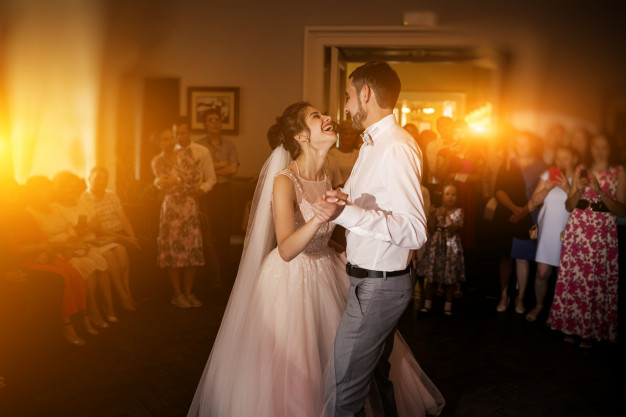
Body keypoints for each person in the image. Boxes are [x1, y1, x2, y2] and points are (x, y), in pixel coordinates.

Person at [187, 102, 444, 417]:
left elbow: (330, 229)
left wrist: (338, 243)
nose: (329, 119)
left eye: (325, 114)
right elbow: (285, 248)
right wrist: (319, 219)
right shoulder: (284, 181)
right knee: (298, 364)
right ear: (300, 136)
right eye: (316, 117)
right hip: (289, 281)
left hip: (328, 270)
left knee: (339, 360)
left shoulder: (328, 174)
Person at [313, 61, 435, 417]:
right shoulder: (372, 144)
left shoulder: (396, 147)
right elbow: (357, 199)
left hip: (379, 285)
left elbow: (414, 229)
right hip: (364, 279)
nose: (346, 106)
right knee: (375, 380)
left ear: (366, 93)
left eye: (349, 96)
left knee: (343, 390)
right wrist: (339, 199)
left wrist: (343, 214)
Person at [547, 134, 625, 348]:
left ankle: (590, 331)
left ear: (611, 149)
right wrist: (579, 189)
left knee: (595, 279)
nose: (599, 151)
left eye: (604, 147)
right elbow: (570, 206)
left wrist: (600, 193)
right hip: (579, 227)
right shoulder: (582, 169)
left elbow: (621, 209)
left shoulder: (620, 172)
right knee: (576, 277)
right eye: (596, 147)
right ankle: (570, 325)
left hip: (602, 230)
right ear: (590, 149)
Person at [53, 171, 136, 313]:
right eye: (69, 187)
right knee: (109, 255)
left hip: (94, 238)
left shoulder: (81, 201)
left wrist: (86, 228)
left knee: (121, 250)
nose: (73, 190)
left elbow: (96, 222)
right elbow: (73, 231)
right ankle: (122, 295)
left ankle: (126, 292)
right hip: (84, 242)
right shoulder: (60, 206)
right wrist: (85, 229)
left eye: (74, 187)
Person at [152, 125, 205, 308]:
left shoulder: (185, 155)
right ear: (159, 142)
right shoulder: (157, 161)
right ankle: (177, 294)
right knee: (173, 252)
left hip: (189, 206)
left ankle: (189, 292)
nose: (170, 141)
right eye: (165, 138)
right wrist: (181, 181)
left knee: (192, 250)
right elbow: (164, 184)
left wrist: (178, 181)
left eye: (172, 137)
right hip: (172, 208)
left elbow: (196, 180)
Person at [493, 131, 546, 314]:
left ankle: (521, 299)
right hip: (507, 216)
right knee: (505, 257)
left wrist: (523, 212)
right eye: (519, 143)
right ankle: (504, 295)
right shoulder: (508, 163)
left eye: (526, 143)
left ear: (532, 145)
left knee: (523, 259)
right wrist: (515, 209)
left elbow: (542, 194)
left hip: (529, 218)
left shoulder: (541, 166)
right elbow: (498, 190)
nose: (523, 146)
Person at [524, 146, 576, 322]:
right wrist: (546, 188)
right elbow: (534, 203)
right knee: (542, 272)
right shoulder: (548, 174)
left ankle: (558, 311)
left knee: (564, 275)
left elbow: (580, 206)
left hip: (568, 232)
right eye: (559, 158)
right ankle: (539, 306)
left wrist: (567, 188)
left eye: (566, 158)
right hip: (547, 231)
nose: (561, 162)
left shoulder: (578, 177)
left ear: (574, 159)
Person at [172, 117, 222, 291]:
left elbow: (211, 179)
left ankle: (216, 286)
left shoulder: (202, 151)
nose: (179, 137)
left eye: (183, 133)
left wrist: (200, 190)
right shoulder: (170, 153)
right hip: (176, 205)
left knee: (206, 243)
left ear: (190, 133)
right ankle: (183, 290)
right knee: (178, 244)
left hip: (198, 201)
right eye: (176, 133)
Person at [196, 108, 239, 278]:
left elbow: (233, 169)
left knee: (224, 233)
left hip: (224, 192)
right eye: (211, 120)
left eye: (217, 120)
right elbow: (199, 172)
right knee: (206, 233)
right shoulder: (198, 145)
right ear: (205, 124)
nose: (215, 123)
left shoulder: (230, 144)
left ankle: (224, 274)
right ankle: (208, 274)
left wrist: (211, 168)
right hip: (206, 193)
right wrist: (222, 164)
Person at [418, 180, 465, 316]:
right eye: (447, 194)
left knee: (449, 276)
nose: (450, 197)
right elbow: (431, 229)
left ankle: (447, 306)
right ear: (442, 196)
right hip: (436, 245)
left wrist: (446, 216)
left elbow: (453, 229)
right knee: (431, 276)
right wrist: (432, 215)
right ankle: (427, 304)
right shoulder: (436, 210)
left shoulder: (458, 212)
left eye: (453, 194)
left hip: (451, 245)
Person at [327, 120, 361, 187]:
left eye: (352, 134)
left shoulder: (359, 154)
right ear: (341, 135)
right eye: (346, 133)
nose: (349, 137)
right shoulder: (331, 153)